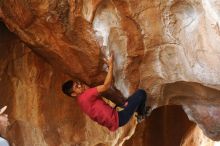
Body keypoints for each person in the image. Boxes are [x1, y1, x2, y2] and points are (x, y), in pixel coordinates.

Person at [62, 55, 148, 131]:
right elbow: (106, 86)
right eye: (77, 87)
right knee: (141, 93)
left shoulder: (81, 100)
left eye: (78, 83)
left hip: (115, 116)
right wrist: (111, 65)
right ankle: (141, 115)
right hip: (119, 118)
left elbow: (87, 88)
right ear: (73, 94)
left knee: (129, 102)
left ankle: (135, 109)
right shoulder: (86, 96)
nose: (80, 85)